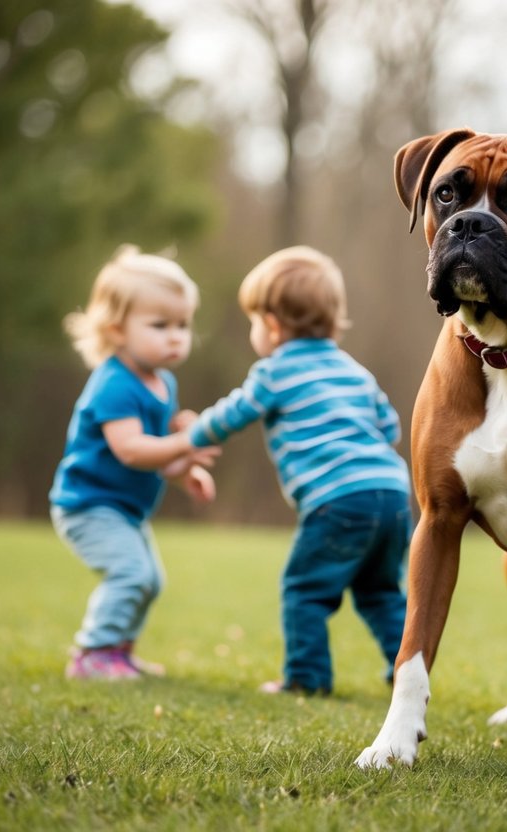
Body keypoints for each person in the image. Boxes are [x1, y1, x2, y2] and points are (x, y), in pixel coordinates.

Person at [175, 245, 412, 695]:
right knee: (381, 591)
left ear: (271, 325)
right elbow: (391, 429)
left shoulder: (275, 372)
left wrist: (191, 435)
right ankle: (408, 670)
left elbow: (234, 414)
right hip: (392, 495)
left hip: (337, 500)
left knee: (304, 589)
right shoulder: (354, 371)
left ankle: (307, 678)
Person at [50, 245, 218, 681]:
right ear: (117, 330)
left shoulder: (163, 382)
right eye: (160, 325)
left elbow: (157, 457)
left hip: (124, 508)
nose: (176, 335)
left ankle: (119, 653)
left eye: (182, 324)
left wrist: (186, 472)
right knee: (131, 573)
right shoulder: (114, 383)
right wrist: (185, 443)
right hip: (88, 505)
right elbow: (131, 450)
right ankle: (92, 654)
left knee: (150, 580)